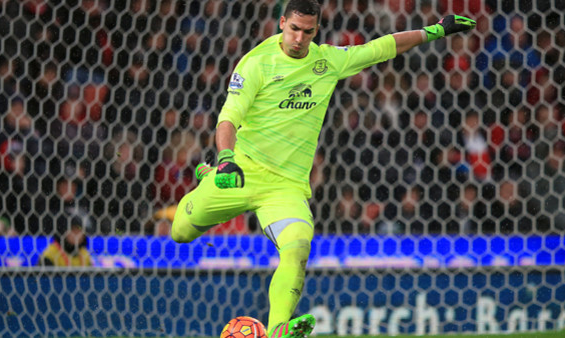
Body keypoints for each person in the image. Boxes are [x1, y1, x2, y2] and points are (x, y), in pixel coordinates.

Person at [170, 1, 475, 337]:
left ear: (316, 31)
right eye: (294, 29)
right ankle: (209, 176)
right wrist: (225, 158)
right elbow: (228, 117)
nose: (299, 38)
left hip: (286, 187)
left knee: (298, 245)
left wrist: (435, 30)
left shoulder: (327, 61)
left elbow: (381, 47)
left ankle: (278, 330)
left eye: (308, 32)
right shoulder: (257, 62)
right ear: (282, 23)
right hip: (240, 171)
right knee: (180, 232)